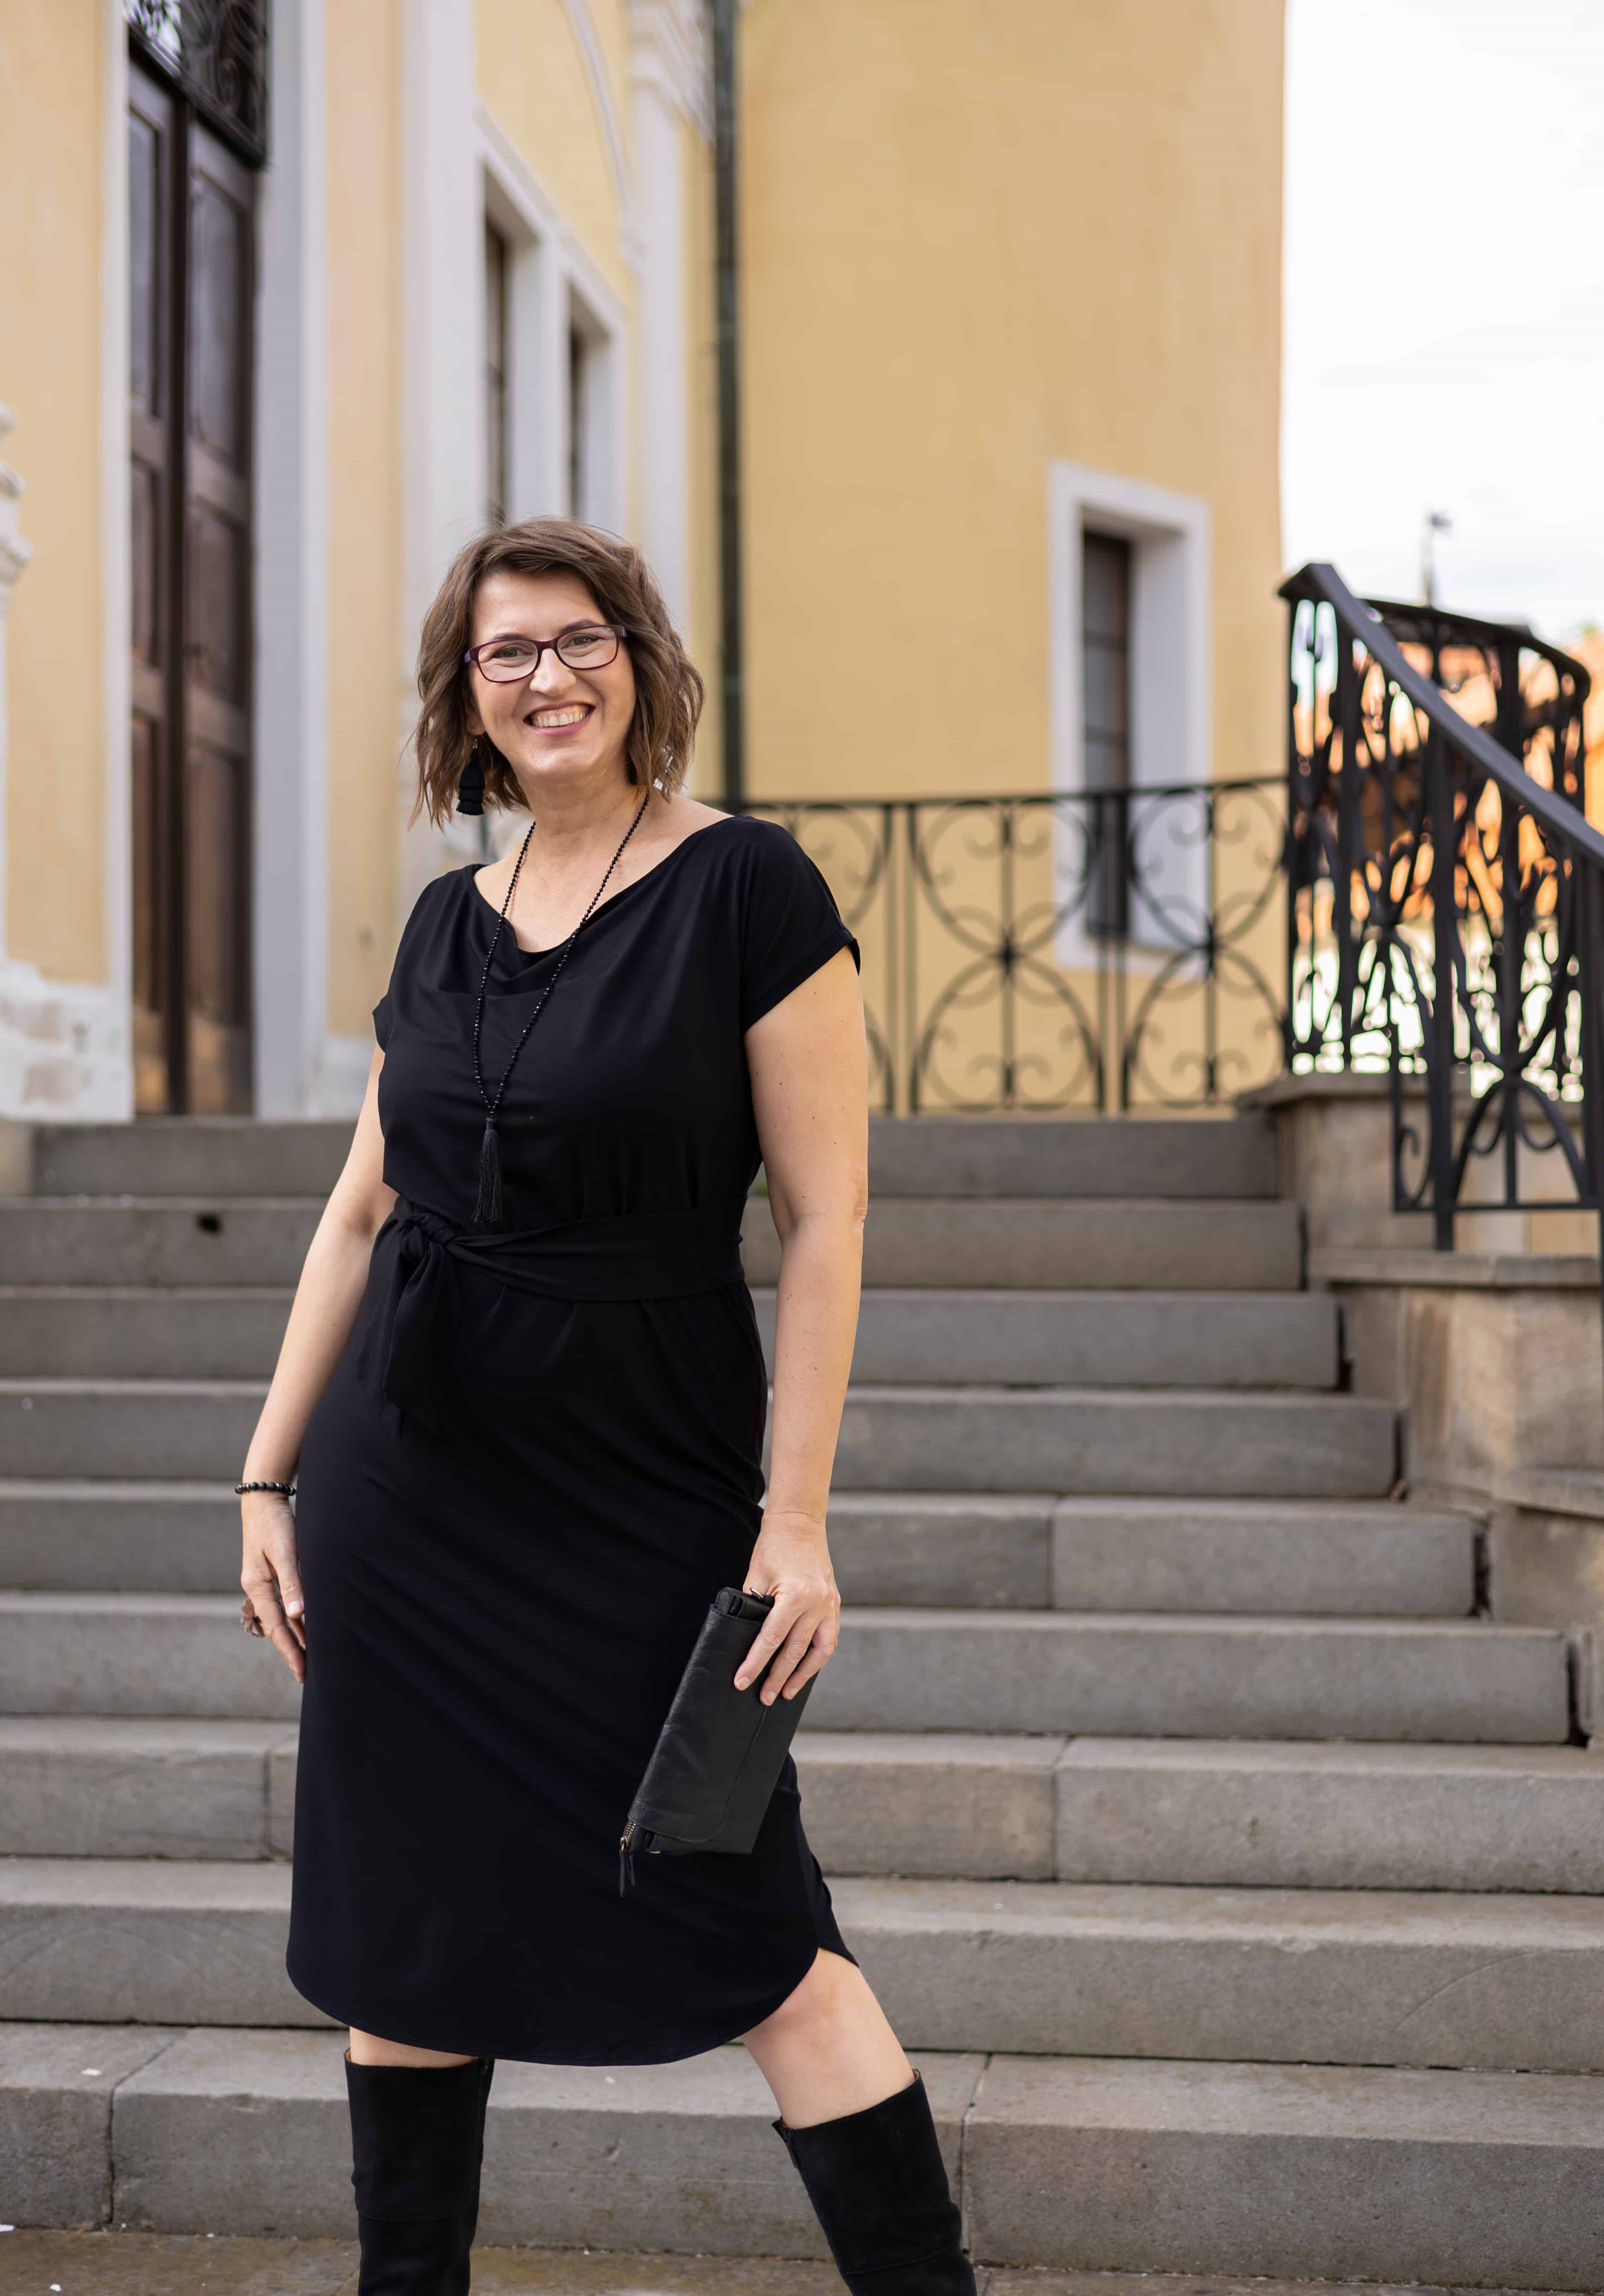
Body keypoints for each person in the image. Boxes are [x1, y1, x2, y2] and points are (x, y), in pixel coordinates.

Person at [236, 518, 977, 2296]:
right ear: (467, 692)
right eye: (507, 652)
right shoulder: (446, 921)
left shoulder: (749, 889)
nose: (548, 677)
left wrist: (795, 1523)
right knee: (409, 1923)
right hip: (411, 1496)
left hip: (649, 1482)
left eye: (581, 640)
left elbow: (824, 1219)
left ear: (640, 662)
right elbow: (360, 1213)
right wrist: (266, 1477)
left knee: (760, 1924)